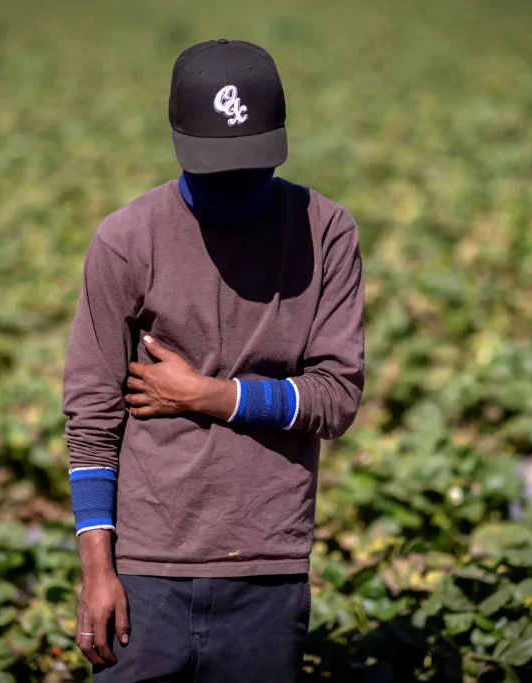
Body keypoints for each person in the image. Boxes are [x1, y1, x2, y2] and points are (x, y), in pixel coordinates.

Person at [62, 38, 365, 682]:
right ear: (180, 144)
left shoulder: (325, 232)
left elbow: (337, 398)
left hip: (266, 563)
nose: (234, 183)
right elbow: (91, 416)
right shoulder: (126, 241)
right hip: (147, 568)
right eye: (215, 167)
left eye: (250, 165)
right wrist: (97, 570)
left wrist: (211, 395)